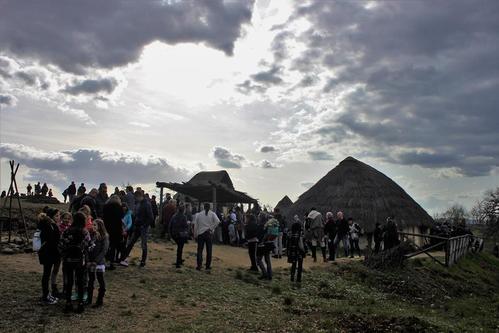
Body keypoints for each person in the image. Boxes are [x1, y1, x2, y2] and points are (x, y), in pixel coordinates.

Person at [59, 212, 91, 313]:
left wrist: (64, 254)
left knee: (69, 281)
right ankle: (80, 304)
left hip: (68, 259)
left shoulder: (67, 231)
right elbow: (89, 245)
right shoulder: (84, 232)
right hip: (80, 260)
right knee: (80, 281)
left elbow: (61, 244)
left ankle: (68, 303)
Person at [120, 190, 153, 267]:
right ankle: (123, 258)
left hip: (143, 228)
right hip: (137, 226)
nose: (135, 199)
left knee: (143, 244)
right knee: (131, 243)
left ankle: (143, 261)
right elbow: (136, 215)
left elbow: (151, 217)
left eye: (136, 197)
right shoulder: (139, 204)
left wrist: (144, 225)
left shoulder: (147, 204)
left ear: (139, 196)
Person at [37, 210, 61, 304]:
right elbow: (54, 240)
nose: (59, 217)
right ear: (51, 217)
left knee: (46, 274)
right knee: (46, 274)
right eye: (57, 216)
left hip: (45, 253)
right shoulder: (50, 226)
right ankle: (45, 296)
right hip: (49, 254)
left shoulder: (44, 224)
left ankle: (46, 294)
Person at [87, 219, 109, 307]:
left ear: (100, 226)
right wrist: (88, 260)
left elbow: (104, 250)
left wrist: (96, 261)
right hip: (91, 262)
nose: (93, 227)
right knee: (90, 280)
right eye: (93, 225)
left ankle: (100, 300)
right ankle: (89, 299)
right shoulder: (90, 235)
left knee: (100, 280)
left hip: (99, 262)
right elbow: (87, 248)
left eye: (95, 225)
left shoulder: (104, 236)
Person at [193, 203, 220, 271]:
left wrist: (195, 234)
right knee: (209, 250)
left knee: (200, 250)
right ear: (210, 207)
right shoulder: (212, 214)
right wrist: (211, 228)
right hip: (208, 233)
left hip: (201, 234)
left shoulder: (199, 214)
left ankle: (199, 266)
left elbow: (196, 225)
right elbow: (218, 221)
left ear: (203, 207)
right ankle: (207, 266)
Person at [103, 195, 124, 270]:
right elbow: (120, 219)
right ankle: (111, 262)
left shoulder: (105, 207)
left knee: (106, 245)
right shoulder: (119, 207)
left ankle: (105, 261)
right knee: (113, 246)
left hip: (107, 228)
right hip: (116, 229)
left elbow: (103, 217)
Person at [256, 215, 277, 280]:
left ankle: (264, 273)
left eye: (259, 217)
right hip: (268, 244)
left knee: (258, 259)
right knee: (267, 259)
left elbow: (259, 235)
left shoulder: (260, 226)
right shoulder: (268, 225)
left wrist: (261, 241)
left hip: (262, 244)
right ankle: (269, 275)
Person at [169, 203, 189, 268]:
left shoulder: (174, 216)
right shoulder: (183, 217)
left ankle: (179, 260)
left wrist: (170, 234)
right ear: (183, 210)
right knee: (180, 248)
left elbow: (170, 225)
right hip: (180, 234)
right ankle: (178, 262)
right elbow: (185, 226)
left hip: (174, 234)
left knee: (179, 248)